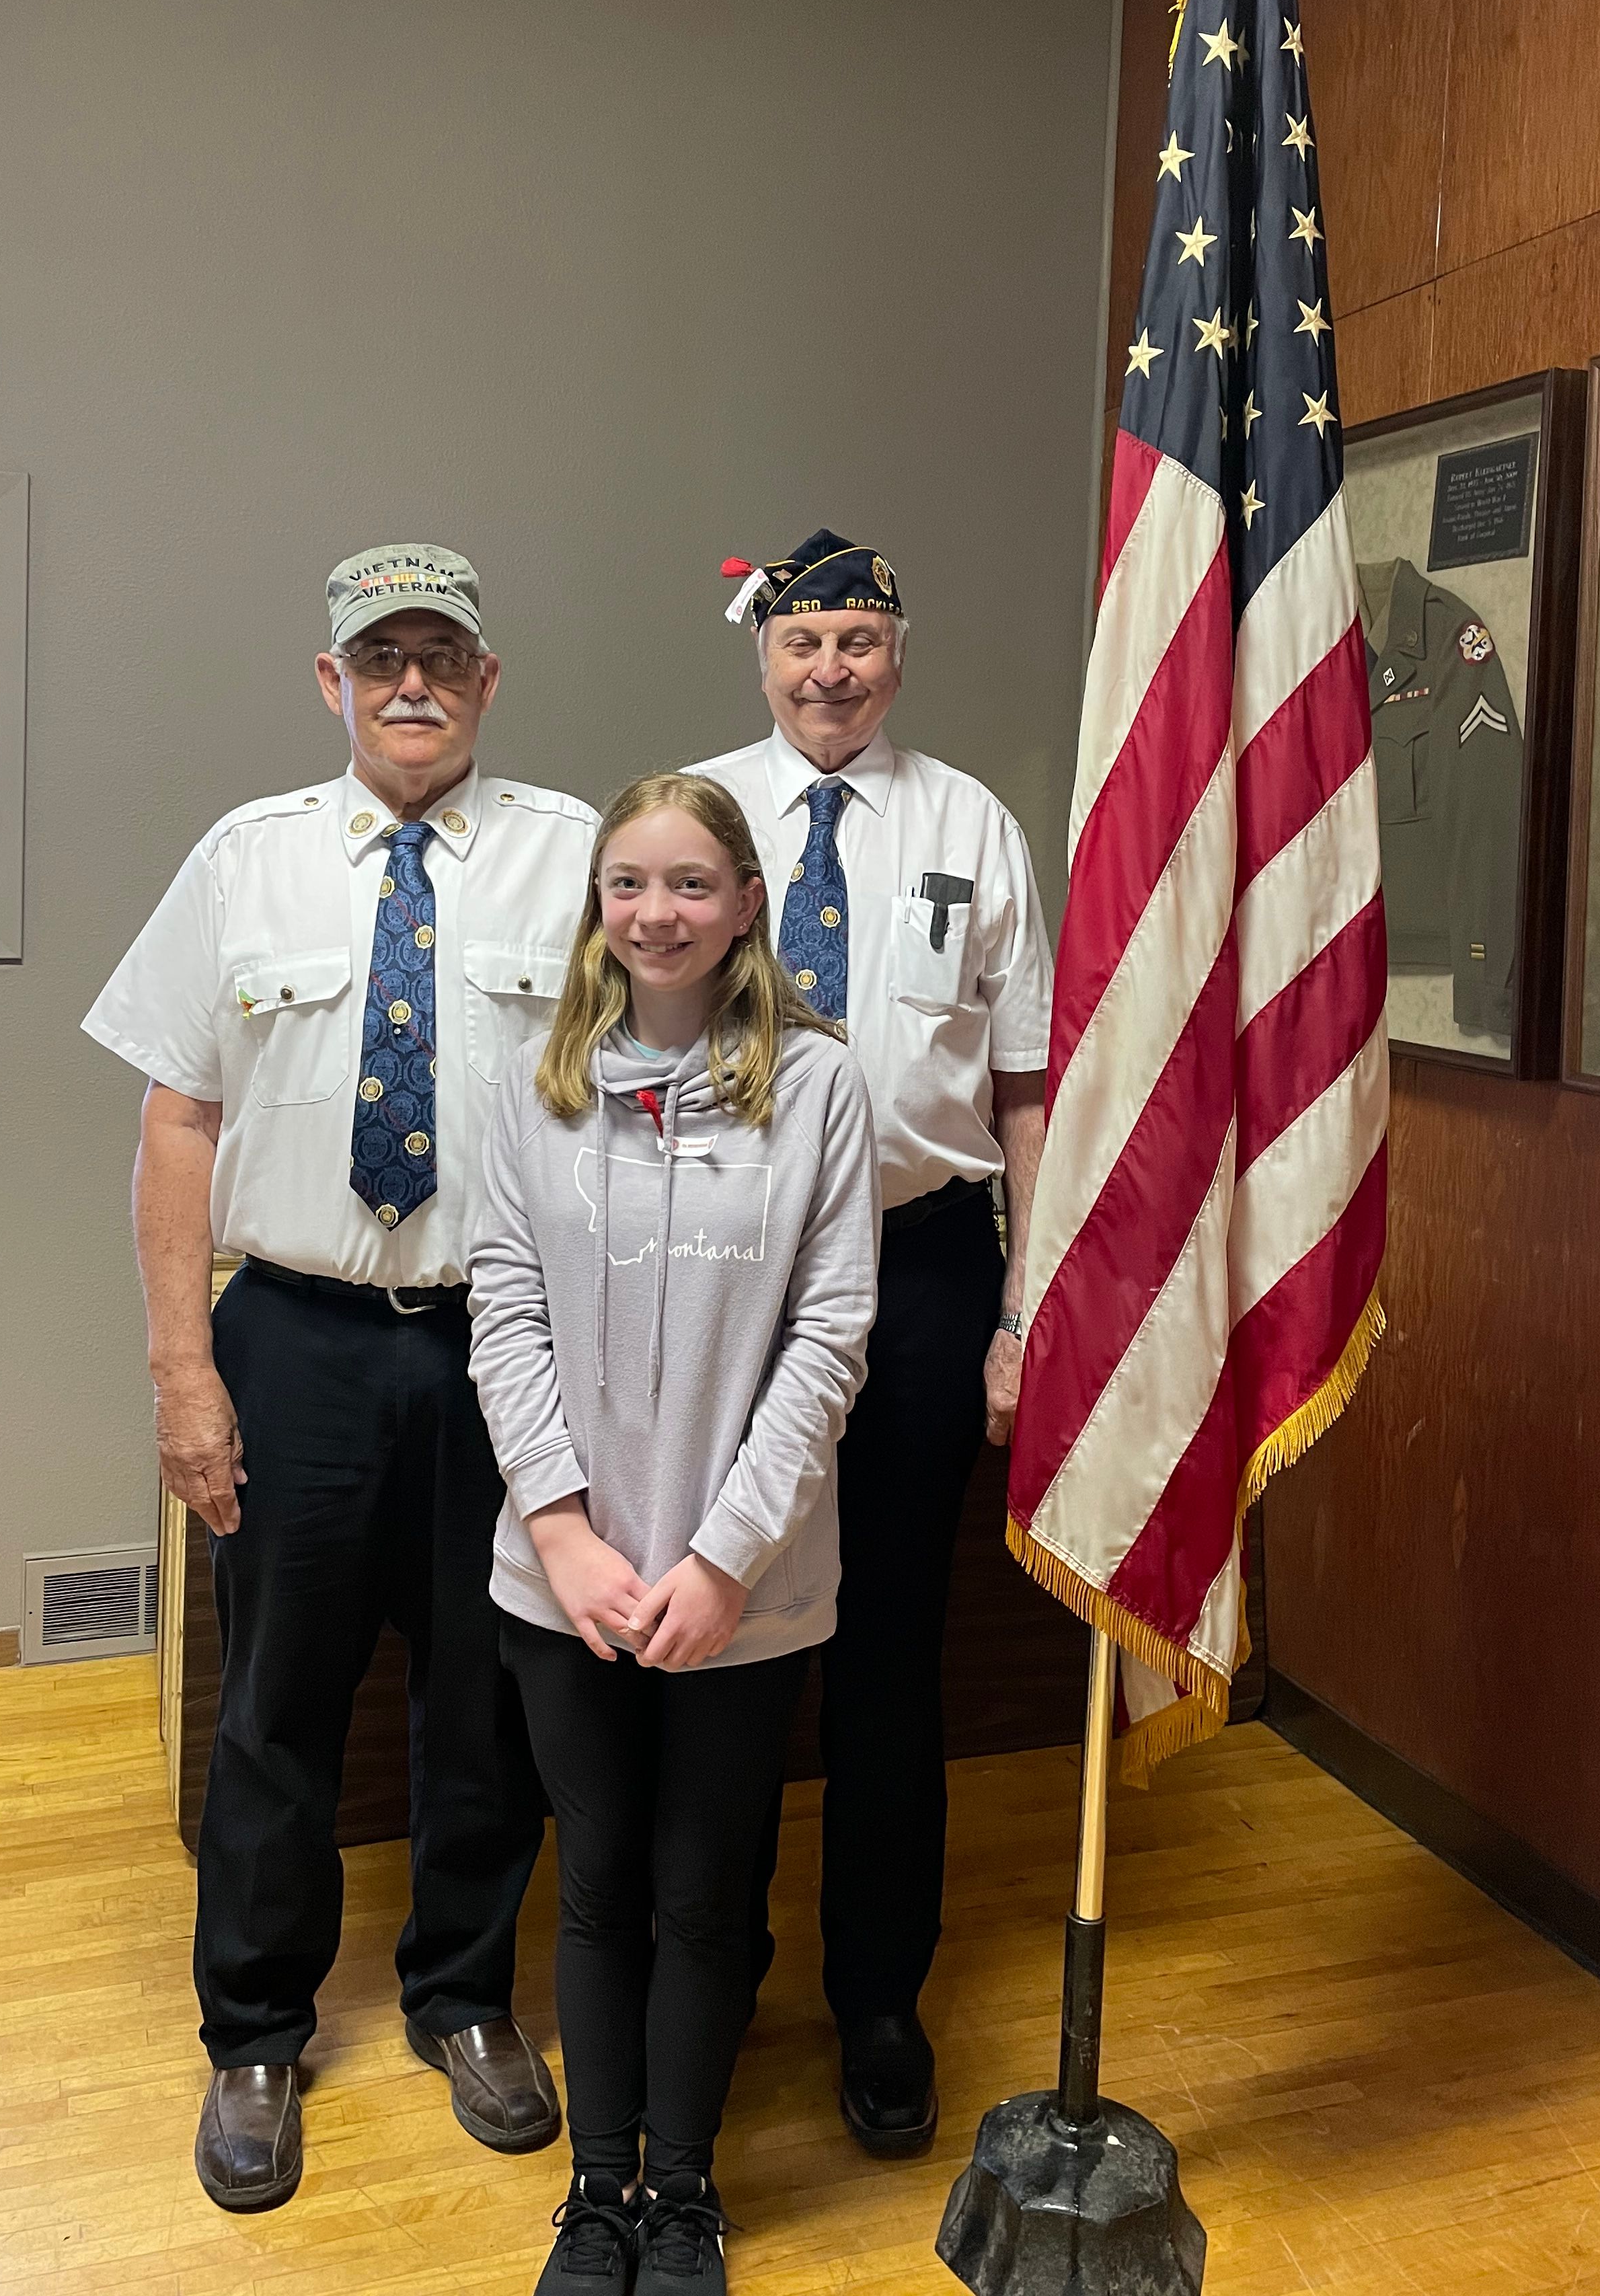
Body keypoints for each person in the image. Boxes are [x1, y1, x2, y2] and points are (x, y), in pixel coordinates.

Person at [83, 542, 594, 2212]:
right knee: (277, 1706)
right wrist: (183, 1369)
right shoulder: (247, 860)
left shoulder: (578, 856)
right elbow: (178, 1120)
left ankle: (465, 1998)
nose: (412, 683)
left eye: (442, 653)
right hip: (295, 1337)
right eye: (381, 657)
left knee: (488, 1700)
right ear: (333, 681)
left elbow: (639, 1100)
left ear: (488, 678)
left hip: (502, 1342)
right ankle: (254, 2033)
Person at [470, 773, 878, 2295]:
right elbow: (503, 1313)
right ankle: (597, 2195)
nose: (659, 914)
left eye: (694, 884)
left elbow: (830, 1339)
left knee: (707, 1889)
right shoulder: (537, 1083)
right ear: (598, 904)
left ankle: (684, 2196)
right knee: (596, 1881)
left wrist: (723, 1562)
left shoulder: (819, 1086)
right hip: (567, 1583)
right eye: (630, 883)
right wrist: (564, 1535)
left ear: (748, 904)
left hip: (741, 1592)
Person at [695, 527, 1052, 2155]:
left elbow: (1027, 1087)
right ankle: (714, 1970)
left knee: (893, 1650)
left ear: (898, 658)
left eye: (856, 641)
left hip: (921, 1268)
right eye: (801, 641)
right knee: (731, 1630)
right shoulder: (698, 820)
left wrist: (1022, 1310)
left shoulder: (971, 825)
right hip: (733, 1264)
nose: (827, 670)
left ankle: (881, 1999)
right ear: (760, 655)